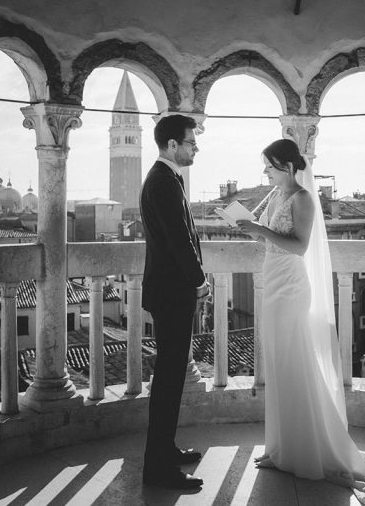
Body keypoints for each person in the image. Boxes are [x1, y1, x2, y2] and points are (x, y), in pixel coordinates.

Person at [236, 139, 365, 494]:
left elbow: (299, 246)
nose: (266, 173)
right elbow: (273, 241)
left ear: (287, 166)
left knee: (294, 364)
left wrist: (259, 231)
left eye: (270, 167)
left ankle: (306, 451)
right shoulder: (273, 198)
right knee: (278, 366)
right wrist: (250, 229)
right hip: (273, 283)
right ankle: (281, 448)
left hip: (291, 288)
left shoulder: (303, 199)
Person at [139, 114, 211, 490]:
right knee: (167, 382)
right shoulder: (164, 183)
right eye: (190, 141)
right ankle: (157, 470)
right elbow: (180, 241)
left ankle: (166, 450)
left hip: (167, 292)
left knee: (171, 378)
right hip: (172, 294)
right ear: (171, 145)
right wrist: (200, 282)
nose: (195, 147)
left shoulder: (164, 178)